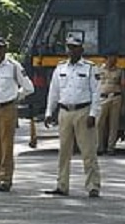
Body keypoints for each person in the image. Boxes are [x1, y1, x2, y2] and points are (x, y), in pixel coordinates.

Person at [43, 34, 102, 198]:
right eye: (69, 47)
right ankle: (62, 185)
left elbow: (96, 93)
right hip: (64, 112)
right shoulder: (60, 68)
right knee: (64, 151)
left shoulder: (90, 68)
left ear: (81, 49)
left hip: (83, 111)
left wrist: (93, 114)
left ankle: (93, 186)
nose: (71, 50)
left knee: (88, 151)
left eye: (75, 47)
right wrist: (49, 112)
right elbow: (53, 92)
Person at [0, 37, 33, 192]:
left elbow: (29, 87)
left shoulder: (14, 66)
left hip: (7, 108)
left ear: (5, 50)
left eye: (0, 48)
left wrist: (16, 97)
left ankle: (6, 179)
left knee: (6, 145)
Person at [96, 52, 125, 155]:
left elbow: (122, 87)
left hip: (116, 97)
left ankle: (110, 148)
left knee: (114, 124)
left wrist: (123, 104)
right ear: (106, 58)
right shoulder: (99, 69)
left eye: (115, 57)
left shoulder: (120, 71)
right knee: (99, 123)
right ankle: (99, 147)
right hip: (102, 98)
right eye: (112, 57)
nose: (114, 59)